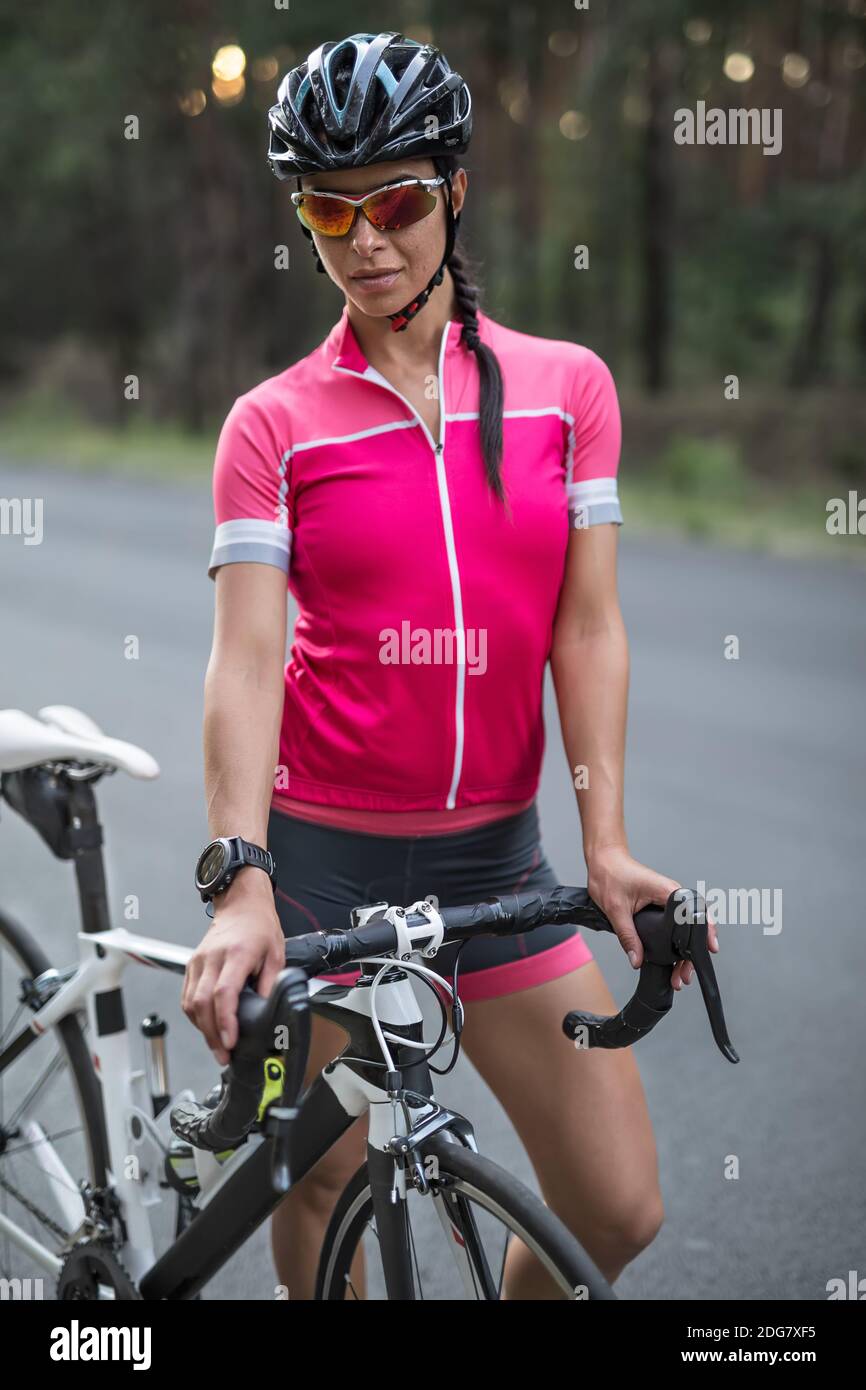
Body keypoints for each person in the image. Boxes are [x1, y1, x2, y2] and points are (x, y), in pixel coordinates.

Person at [182, 30, 719, 1299]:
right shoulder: (272, 424)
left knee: (615, 1205)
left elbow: (583, 630)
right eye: (328, 210)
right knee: (319, 1177)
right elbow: (246, 660)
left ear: (454, 193)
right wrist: (240, 881)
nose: (367, 242)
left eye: (399, 203)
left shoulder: (562, 391)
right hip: (319, 870)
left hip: (492, 864)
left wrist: (603, 845)